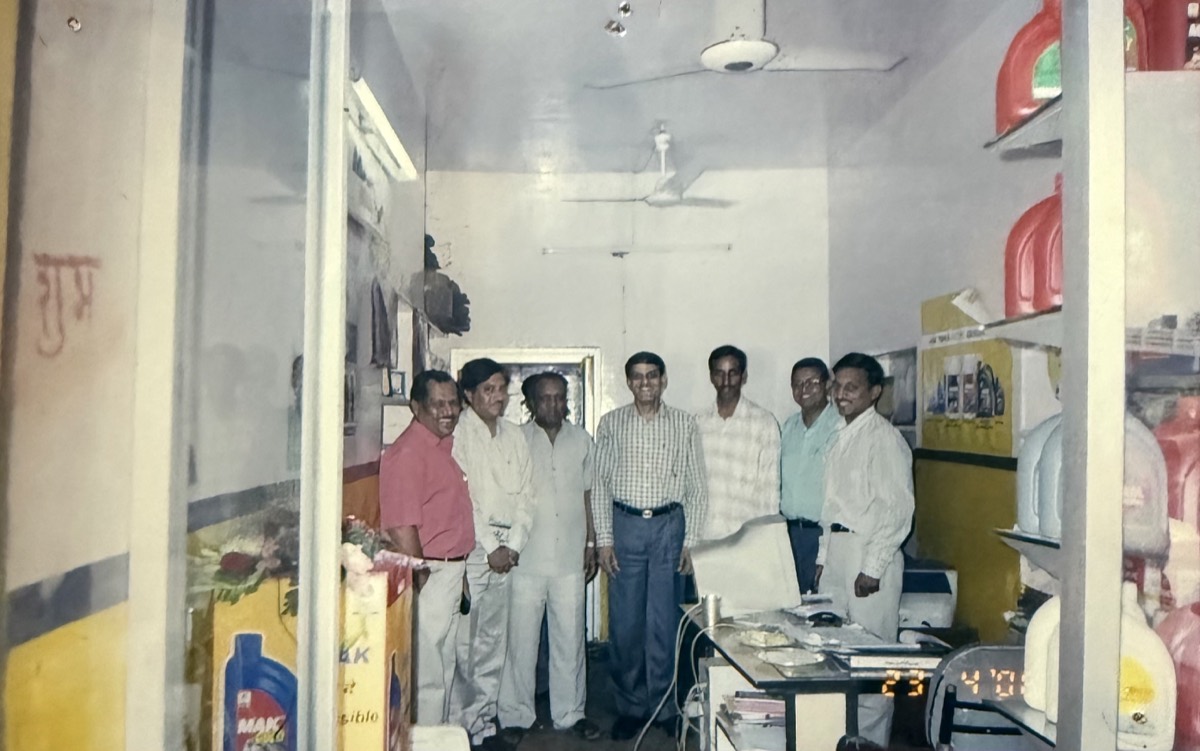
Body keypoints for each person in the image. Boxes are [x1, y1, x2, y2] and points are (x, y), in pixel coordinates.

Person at [594, 352, 708, 741]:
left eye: (652, 376)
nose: (645, 383)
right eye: (638, 377)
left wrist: (690, 542)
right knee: (626, 625)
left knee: (664, 623)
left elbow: (697, 489)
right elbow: (601, 486)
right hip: (625, 526)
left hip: (668, 528)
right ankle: (630, 705)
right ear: (628, 382)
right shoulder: (611, 424)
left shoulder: (684, 424)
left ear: (663, 380)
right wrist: (604, 540)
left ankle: (664, 706)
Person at [815, 352, 914, 748]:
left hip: (871, 555)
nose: (840, 394)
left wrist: (872, 567)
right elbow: (831, 508)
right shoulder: (841, 435)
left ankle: (871, 744)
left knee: (872, 666)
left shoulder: (885, 439)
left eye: (850, 388)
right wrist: (824, 560)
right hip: (840, 551)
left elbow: (897, 509)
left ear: (874, 392)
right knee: (836, 658)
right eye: (836, 386)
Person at [498, 372, 602, 742]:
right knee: (520, 641)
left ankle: (570, 713)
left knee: (570, 639)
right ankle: (515, 715)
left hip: (570, 557)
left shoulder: (582, 440)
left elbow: (590, 495)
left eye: (560, 397)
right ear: (530, 403)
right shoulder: (515, 440)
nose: (554, 405)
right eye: (546, 398)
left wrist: (591, 543)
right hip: (525, 558)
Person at [379, 370, 474, 726]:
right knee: (428, 674)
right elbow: (402, 525)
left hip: (449, 570)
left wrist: (458, 571)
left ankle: (441, 739)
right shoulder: (407, 453)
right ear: (415, 407)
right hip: (429, 574)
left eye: (453, 402)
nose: (448, 411)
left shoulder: (441, 447)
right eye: (438, 404)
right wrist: (421, 581)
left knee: (444, 666)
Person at [449, 358, 535, 751]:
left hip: (507, 553)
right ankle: (459, 732)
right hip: (472, 553)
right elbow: (465, 501)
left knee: (492, 644)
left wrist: (513, 546)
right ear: (468, 395)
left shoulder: (515, 436)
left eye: (501, 388)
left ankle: (483, 726)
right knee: (463, 648)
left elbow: (525, 497)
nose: (498, 397)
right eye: (488, 389)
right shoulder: (457, 437)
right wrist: (491, 548)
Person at [694, 345, 781, 541]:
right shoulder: (698, 423)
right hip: (705, 536)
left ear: (744, 377)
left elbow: (770, 490)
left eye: (733, 373)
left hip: (747, 537)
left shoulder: (763, 422)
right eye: (719, 374)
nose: (726, 381)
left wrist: (763, 538)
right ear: (711, 377)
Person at [779, 357, 843, 594]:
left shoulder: (840, 427)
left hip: (823, 535)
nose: (803, 389)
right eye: (797, 384)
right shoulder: (788, 427)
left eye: (811, 382)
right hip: (787, 533)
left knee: (819, 606)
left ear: (827, 385)